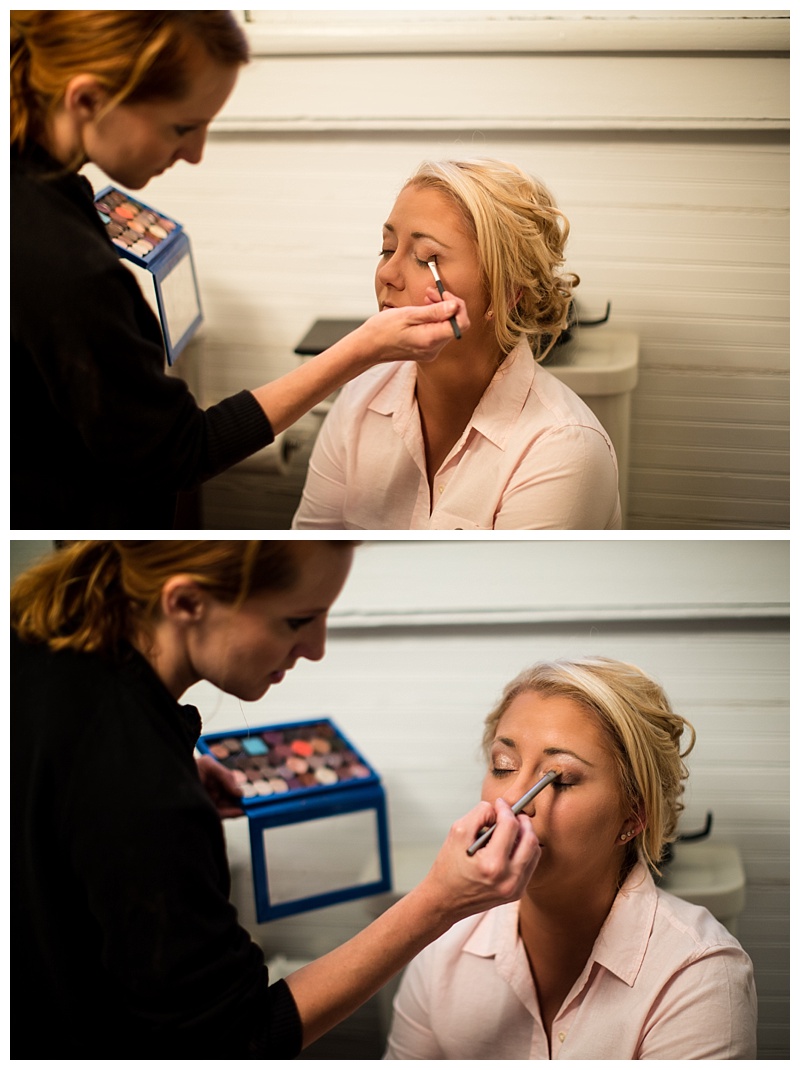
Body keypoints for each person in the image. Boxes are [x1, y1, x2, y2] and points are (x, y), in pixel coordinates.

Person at [11, 540, 539, 1059]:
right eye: (297, 620)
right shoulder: (140, 786)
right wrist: (437, 903)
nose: (316, 647)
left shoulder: (39, 653)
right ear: (187, 602)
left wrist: (163, 776)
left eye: (558, 776)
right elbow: (236, 1041)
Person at [10, 12, 468, 527]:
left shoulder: (53, 191)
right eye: (182, 127)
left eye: (427, 256)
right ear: (88, 99)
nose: (196, 153)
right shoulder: (57, 262)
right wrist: (363, 348)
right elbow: (179, 451)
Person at [384, 656, 758, 1059]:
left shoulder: (697, 974)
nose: (512, 803)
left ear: (632, 817)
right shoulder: (446, 944)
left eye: (559, 778)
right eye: (503, 766)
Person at [292, 158, 621, 530]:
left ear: (506, 293)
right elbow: (307, 560)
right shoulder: (359, 399)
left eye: (426, 258)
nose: (386, 273)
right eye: (387, 249)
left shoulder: (562, 449)